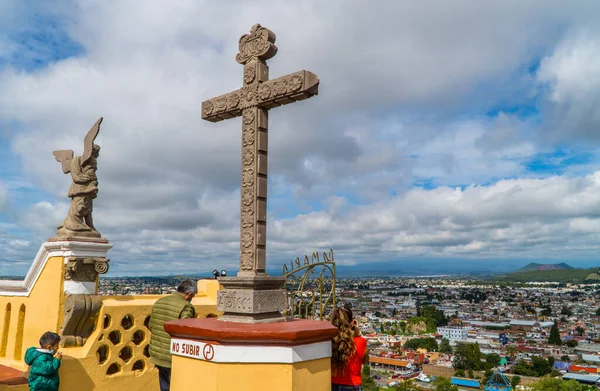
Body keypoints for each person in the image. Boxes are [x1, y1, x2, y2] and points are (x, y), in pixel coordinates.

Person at [149, 279, 197, 391]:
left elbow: (151, 325)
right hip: (173, 355)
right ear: (189, 294)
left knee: (164, 385)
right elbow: (186, 330)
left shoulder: (159, 302)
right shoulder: (186, 306)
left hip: (157, 353)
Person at [330, 307, 369, 391]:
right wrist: (357, 332)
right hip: (352, 386)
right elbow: (365, 360)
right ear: (352, 323)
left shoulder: (331, 341)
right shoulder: (360, 341)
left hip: (332, 384)